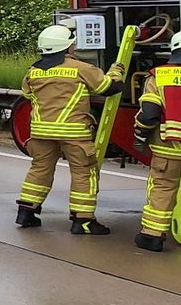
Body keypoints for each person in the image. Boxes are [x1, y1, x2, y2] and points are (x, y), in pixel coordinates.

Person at [17, 24, 125, 234]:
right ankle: (82, 221)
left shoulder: (34, 71)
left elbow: (28, 95)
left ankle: (26, 212)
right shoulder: (80, 68)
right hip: (73, 133)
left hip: (41, 132)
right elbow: (108, 88)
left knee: (40, 169)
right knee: (84, 173)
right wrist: (116, 70)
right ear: (66, 47)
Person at [130, 31, 181, 252]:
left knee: (163, 187)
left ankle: (152, 236)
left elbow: (149, 113)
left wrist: (140, 136)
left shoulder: (158, 76)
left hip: (169, 147)